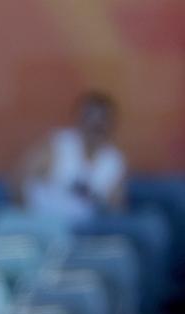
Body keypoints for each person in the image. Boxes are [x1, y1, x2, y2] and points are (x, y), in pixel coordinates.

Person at [20, 91, 127, 225]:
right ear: (80, 120)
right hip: (43, 224)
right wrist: (28, 218)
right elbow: (20, 179)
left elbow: (116, 208)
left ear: (110, 126)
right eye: (90, 121)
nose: (95, 128)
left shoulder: (113, 161)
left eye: (101, 124)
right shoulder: (59, 145)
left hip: (85, 232)